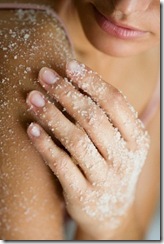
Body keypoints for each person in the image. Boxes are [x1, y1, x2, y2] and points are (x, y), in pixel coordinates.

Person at [0, 0, 160, 240]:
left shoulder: (156, 58)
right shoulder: (29, 47)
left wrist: (113, 222)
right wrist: (114, 225)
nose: (126, 6)